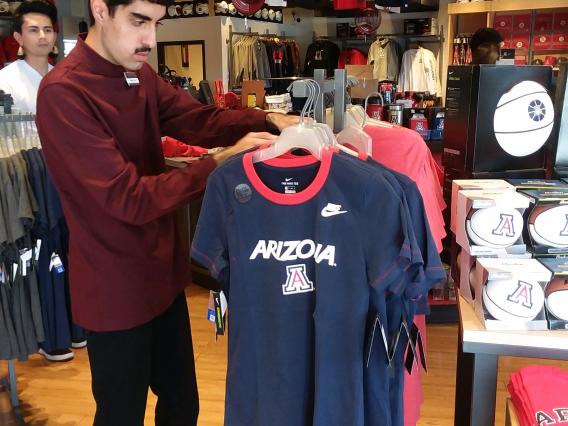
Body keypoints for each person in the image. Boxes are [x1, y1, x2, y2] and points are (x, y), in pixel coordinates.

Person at [35, 0, 298, 422]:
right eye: (139, 22)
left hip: (162, 276)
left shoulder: (137, 74)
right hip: (113, 289)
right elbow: (128, 199)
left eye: (156, 24)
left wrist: (267, 119)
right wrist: (219, 163)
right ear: (101, 9)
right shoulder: (64, 92)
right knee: (122, 413)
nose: (150, 40)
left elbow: (197, 119)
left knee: (181, 406)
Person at [0, 0, 57, 113]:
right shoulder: (5, 80)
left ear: (54, 36)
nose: (42, 36)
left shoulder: (64, 77)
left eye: (47, 30)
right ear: (18, 38)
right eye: (33, 30)